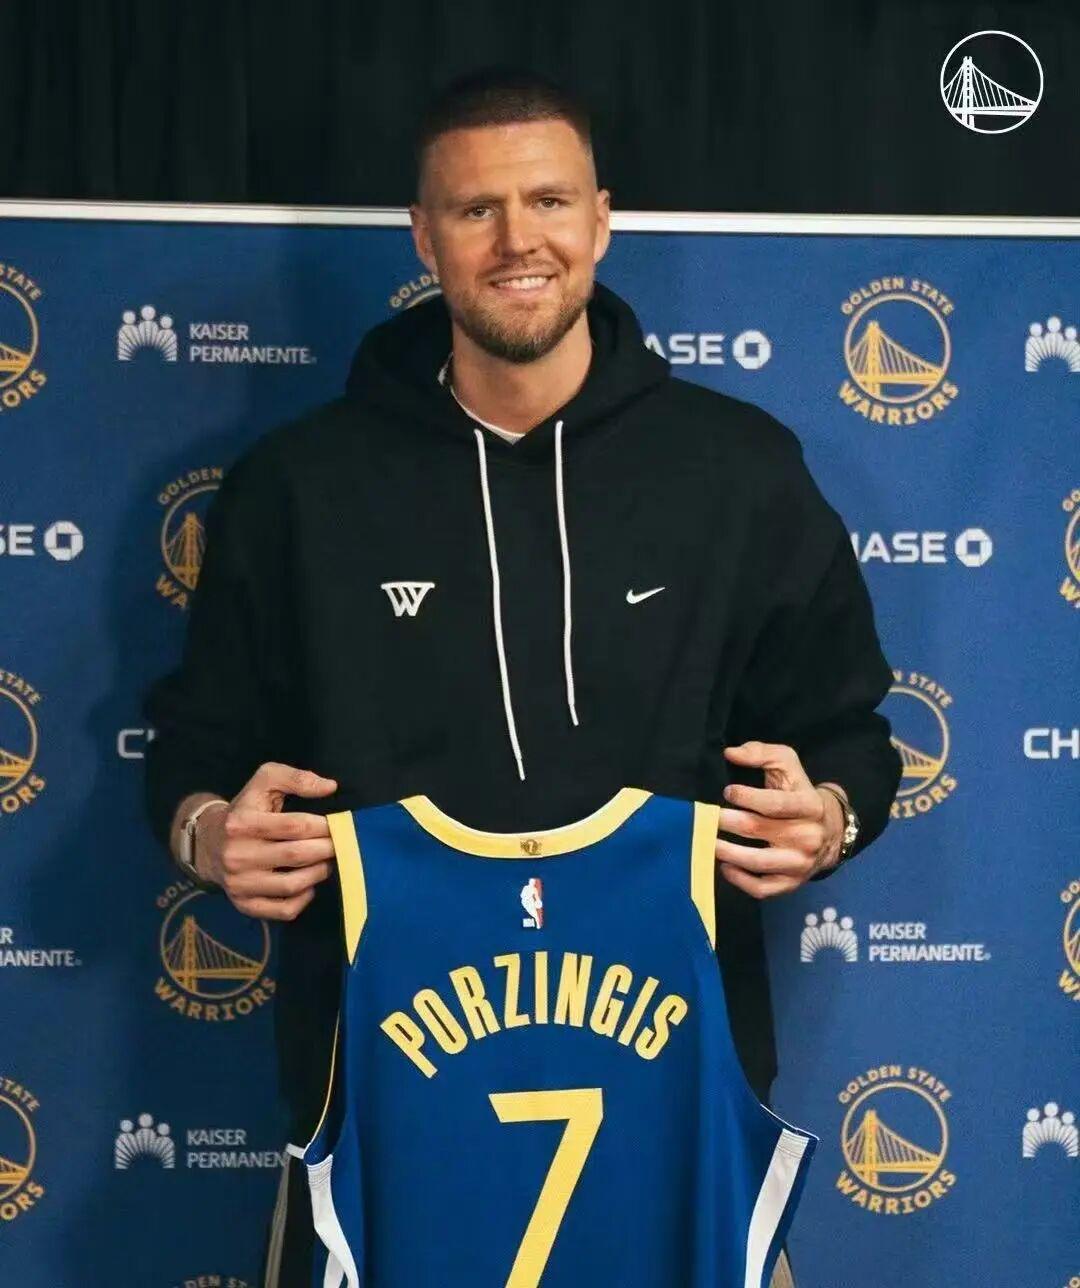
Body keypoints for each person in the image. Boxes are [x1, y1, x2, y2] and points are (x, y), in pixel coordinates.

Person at [142, 65, 902, 1288]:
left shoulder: (739, 471)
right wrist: (205, 832)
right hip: (377, 1091)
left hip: (675, 1088)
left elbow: (851, 735)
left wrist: (830, 817)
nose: (517, 242)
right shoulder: (299, 487)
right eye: (475, 209)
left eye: (547, 201)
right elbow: (193, 747)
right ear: (423, 236)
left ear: (601, 218)